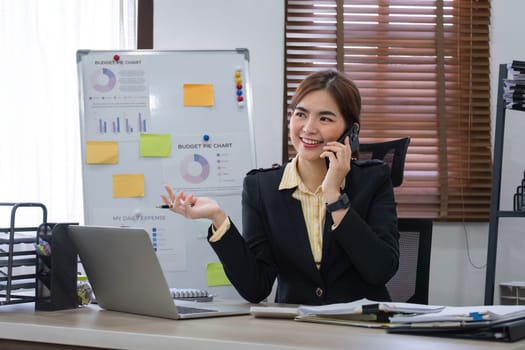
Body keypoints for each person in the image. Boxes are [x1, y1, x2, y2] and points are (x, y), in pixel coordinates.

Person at [161, 69, 399, 305]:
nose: (308, 128)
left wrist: (334, 196)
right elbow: (256, 287)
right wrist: (218, 218)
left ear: (351, 132)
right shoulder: (261, 187)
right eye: (301, 114)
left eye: (325, 118)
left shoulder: (373, 180)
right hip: (294, 328)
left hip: (361, 327)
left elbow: (380, 270)